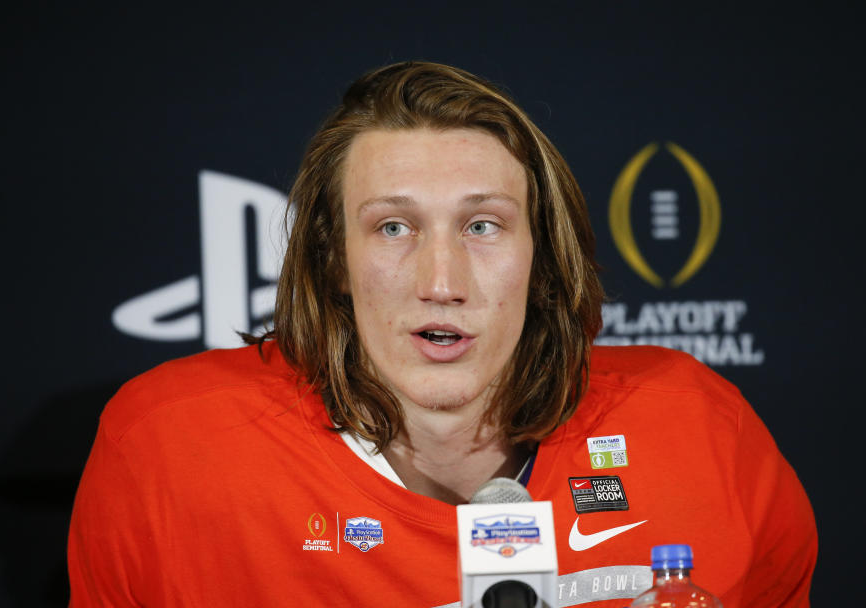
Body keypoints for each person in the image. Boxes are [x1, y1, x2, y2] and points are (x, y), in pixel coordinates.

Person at [68, 61, 817, 607]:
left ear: (543, 256)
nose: (441, 280)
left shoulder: (699, 428)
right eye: (393, 226)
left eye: (482, 225)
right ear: (333, 260)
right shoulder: (171, 447)